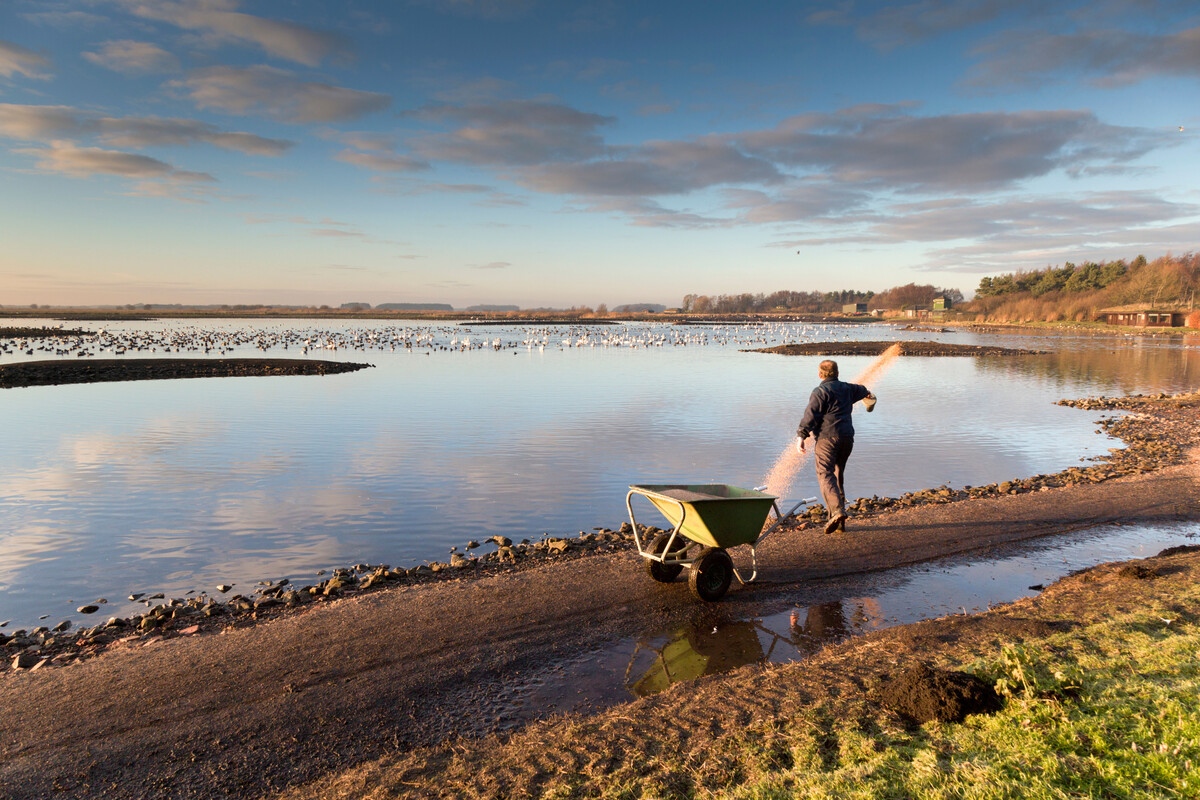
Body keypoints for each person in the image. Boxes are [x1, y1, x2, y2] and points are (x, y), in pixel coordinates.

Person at [795, 359, 876, 534]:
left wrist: (801, 436)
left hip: (827, 439)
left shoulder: (820, 392)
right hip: (847, 438)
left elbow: (810, 416)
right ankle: (840, 523)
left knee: (825, 473)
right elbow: (863, 390)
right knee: (838, 474)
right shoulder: (848, 389)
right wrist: (869, 396)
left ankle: (837, 511)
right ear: (837, 373)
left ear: (820, 374)